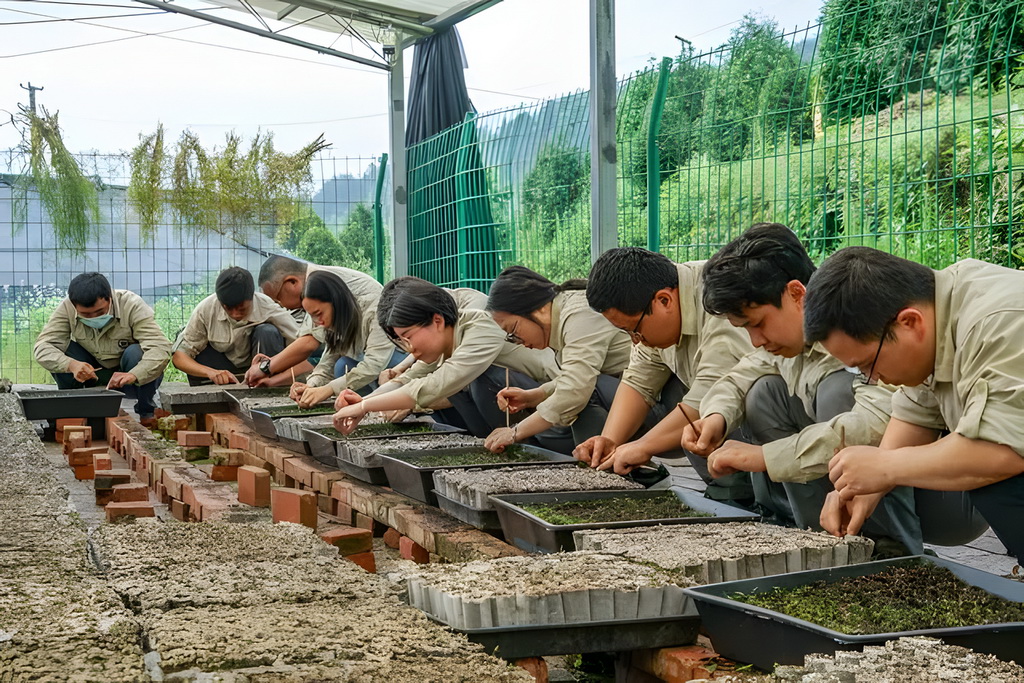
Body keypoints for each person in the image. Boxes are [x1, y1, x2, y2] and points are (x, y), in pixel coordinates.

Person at [683, 223, 921, 552]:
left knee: (838, 391)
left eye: (757, 323)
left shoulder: (856, 323)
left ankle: (888, 547)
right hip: (880, 475)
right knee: (763, 392)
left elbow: (874, 423)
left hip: (941, 485)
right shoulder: (787, 340)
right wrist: (716, 417)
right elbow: (741, 375)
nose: (755, 340)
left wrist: (764, 456)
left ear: (796, 294)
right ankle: (821, 542)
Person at [803, 247, 1024, 561]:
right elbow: (916, 414)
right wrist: (867, 489)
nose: (873, 379)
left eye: (868, 364)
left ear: (909, 322)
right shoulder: (940, 312)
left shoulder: (999, 323)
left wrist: (885, 468)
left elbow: (1003, 452)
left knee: (992, 477)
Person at [572, 247, 752, 504]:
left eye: (634, 330)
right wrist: (609, 441)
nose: (635, 342)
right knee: (673, 388)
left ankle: (745, 498)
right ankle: (725, 489)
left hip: (778, 411)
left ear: (664, 300)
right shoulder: (654, 306)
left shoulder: (719, 297)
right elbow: (639, 379)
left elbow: (712, 390)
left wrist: (642, 446)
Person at [331, 277, 556, 438]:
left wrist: (364, 407)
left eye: (408, 336)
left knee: (475, 378)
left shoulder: (482, 325)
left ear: (437, 320)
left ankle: (532, 447)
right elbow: (407, 379)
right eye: (401, 341)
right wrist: (362, 403)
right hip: (529, 416)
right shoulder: (444, 347)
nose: (408, 348)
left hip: (559, 413)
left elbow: (439, 384)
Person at [483, 265, 632, 454]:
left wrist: (514, 432)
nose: (518, 342)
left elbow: (575, 389)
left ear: (539, 309)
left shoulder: (579, 314)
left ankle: (609, 471)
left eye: (513, 331)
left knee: (585, 394)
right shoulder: (563, 316)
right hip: (630, 398)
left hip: (658, 406)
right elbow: (576, 377)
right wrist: (535, 395)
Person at [254, 255, 400, 403]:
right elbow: (330, 357)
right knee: (342, 365)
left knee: (349, 369)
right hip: (371, 363)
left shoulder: (373, 307)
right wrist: (311, 386)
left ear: (335, 302)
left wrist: (327, 389)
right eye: (311, 316)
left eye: (318, 314)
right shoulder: (330, 312)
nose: (317, 323)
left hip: (395, 362)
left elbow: (374, 365)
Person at [33, 272, 171, 422]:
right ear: (74, 306)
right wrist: (71, 365)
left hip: (127, 377)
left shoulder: (131, 304)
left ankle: (147, 413)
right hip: (90, 373)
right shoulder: (67, 307)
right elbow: (43, 347)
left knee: (137, 352)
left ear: (109, 298)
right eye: (85, 314)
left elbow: (159, 347)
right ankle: (73, 412)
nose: (93, 318)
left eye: (99, 312)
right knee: (61, 351)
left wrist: (134, 374)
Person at [171, 267, 300, 386]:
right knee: (198, 353)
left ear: (252, 298)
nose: (235, 314)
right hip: (224, 368)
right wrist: (210, 372)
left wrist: (272, 372)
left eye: (241, 309)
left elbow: (302, 348)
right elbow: (179, 357)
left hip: (261, 368)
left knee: (267, 332)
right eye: (228, 309)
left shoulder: (268, 308)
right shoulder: (206, 309)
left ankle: (264, 387)